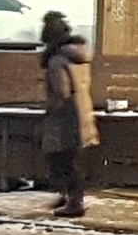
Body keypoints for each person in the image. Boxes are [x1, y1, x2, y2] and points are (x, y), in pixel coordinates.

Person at [40, 11, 96, 218]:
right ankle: (71, 198)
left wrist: (50, 107)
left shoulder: (57, 60)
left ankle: (73, 201)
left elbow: (61, 91)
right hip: (82, 112)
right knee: (72, 158)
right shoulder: (79, 57)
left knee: (61, 158)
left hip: (64, 117)